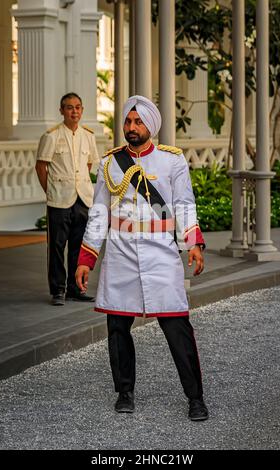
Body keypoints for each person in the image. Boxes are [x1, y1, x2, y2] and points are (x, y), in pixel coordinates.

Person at [75, 95, 209, 421]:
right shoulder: (110, 163)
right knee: (118, 329)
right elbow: (98, 213)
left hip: (161, 254)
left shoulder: (171, 161)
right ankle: (124, 392)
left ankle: (195, 398)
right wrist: (86, 258)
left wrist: (192, 242)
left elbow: (183, 205)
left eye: (138, 122)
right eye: (128, 122)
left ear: (151, 125)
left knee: (178, 328)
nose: (131, 128)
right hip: (120, 254)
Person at [36, 92, 99, 306]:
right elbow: (41, 166)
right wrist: (50, 190)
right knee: (56, 246)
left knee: (78, 246)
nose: (74, 111)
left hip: (82, 199)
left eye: (78, 107)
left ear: (82, 110)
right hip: (59, 200)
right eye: (69, 107)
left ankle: (75, 288)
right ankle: (58, 290)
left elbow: (88, 164)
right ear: (61, 110)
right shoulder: (51, 136)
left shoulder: (88, 136)